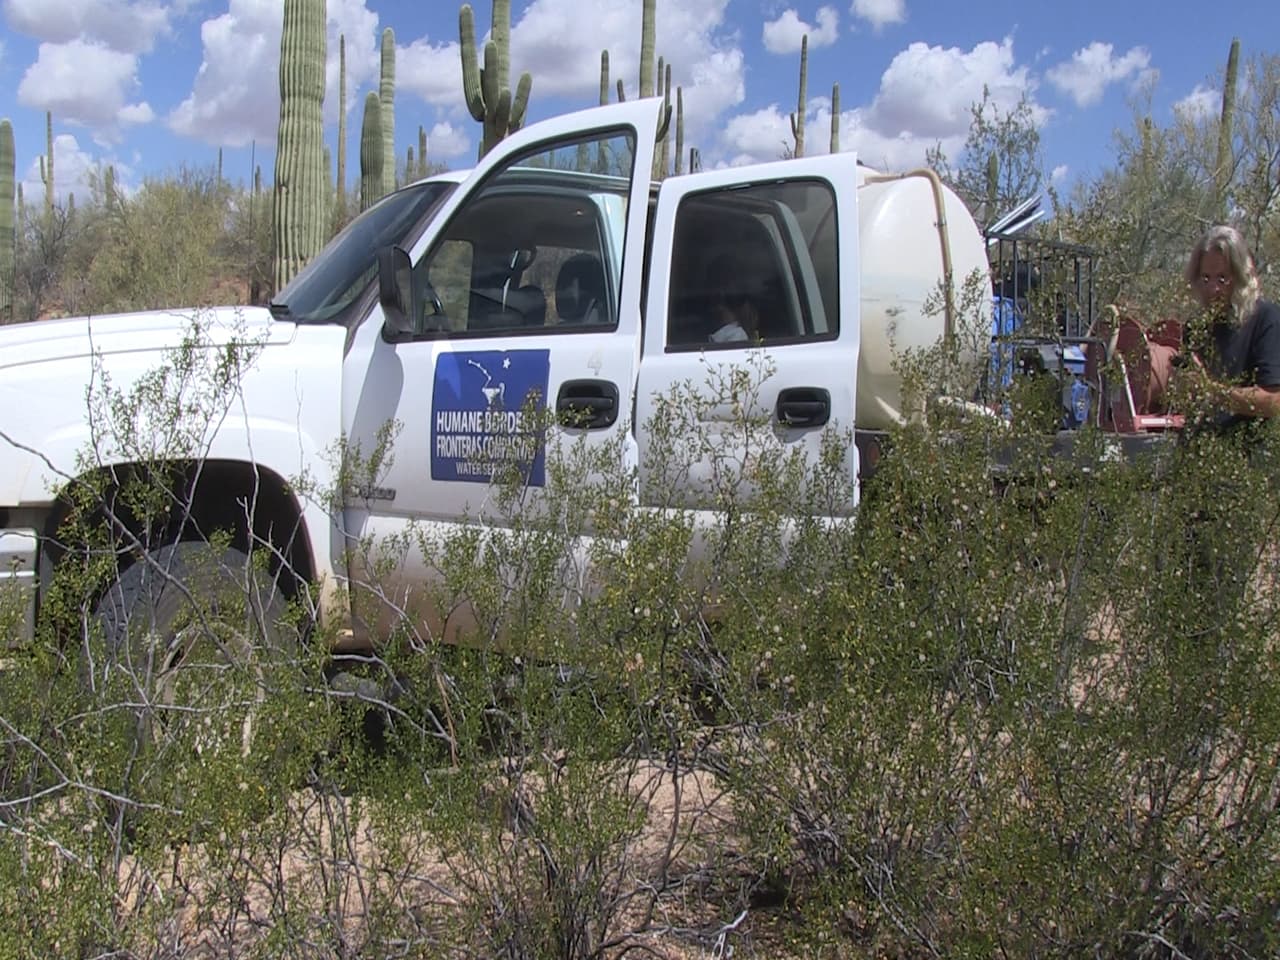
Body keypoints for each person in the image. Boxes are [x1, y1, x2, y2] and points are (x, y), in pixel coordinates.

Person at [1181, 225, 1280, 428]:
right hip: (1201, 451)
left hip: (1248, 454)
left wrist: (1214, 392)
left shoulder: (1265, 319)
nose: (1213, 288)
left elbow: (1273, 401)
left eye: (1222, 278)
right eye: (1206, 277)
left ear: (1240, 277)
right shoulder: (1195, 327)